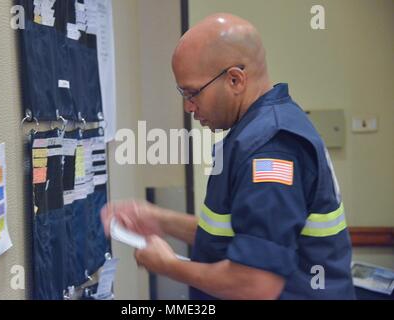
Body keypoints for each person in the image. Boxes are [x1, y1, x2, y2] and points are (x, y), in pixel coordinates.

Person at [101, 13, 356, 300]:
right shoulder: (260, 130)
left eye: (192, 92)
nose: (188, 107)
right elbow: (241, 238)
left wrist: (168, 265)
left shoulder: (269, 149)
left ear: (235, 80)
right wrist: (158, 219)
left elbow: (255, 284)